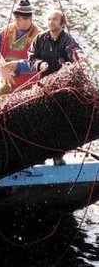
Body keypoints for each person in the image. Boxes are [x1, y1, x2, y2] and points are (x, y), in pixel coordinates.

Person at [28, 9, 85, 166]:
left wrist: (78, 58)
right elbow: (31, 57)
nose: (51, 22)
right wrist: (39, 64)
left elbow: (75, 51)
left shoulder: (67, 39)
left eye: (54, 19)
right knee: (41, 121)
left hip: (62, 89)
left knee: (60, 123)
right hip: (43, 86)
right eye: (49, 19)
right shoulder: (40, 38)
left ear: (62, 23)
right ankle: (40, 156)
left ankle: (58, 155)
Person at [0, 0, 42, 99]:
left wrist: (17, 66)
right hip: (8, 80)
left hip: (29, 84)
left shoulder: (39, 36)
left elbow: (38, 62)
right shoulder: (7, 30)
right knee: (0, 97)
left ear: (29, 19)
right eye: (15, 18)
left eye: (20, 19)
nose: (16, 22)